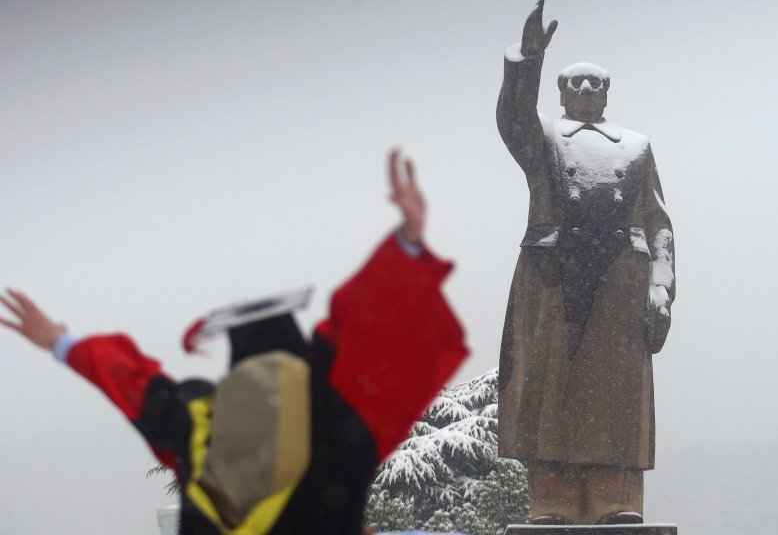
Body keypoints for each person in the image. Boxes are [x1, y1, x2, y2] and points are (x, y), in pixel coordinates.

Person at [1, 149, 468, 535]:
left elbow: (129, 379)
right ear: (302, 350)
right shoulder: (339, 413)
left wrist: (60, 341)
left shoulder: (201, 419)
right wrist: (407, 244)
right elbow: (367, 327)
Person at [496, 0, 675, 525]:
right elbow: (513, 117)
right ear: (560, 92)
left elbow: (659, 222)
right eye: (575, 83)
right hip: (552, 280)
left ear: (607, 92)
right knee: (549, 394)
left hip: (621, 281)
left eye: (595, 83)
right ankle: (551, 499)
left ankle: (615, 498)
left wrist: (660, 284)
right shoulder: (544, 138)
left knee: (615, 401)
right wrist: (526, 61)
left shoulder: (637, 148)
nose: (586, 90)